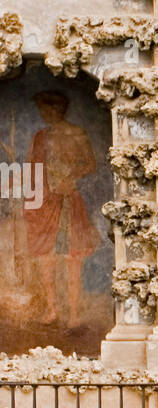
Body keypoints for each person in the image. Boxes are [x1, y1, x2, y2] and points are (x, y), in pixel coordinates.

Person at [25, 90, 99, 327]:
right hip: (46, 203)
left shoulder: (77, 133)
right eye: (42, 110)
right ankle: (52, 310)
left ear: (59, 109)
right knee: (46, 259)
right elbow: (30, 169)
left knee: (72, 260)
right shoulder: (40, 136)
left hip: (69, 201)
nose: (45, 114)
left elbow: (91, 163)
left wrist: (72, 175)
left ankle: (75, 316)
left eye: (48, 109)